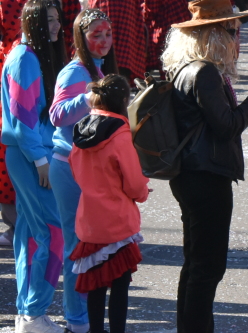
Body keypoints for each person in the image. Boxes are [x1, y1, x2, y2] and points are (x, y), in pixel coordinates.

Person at [161, 0, 248, 333]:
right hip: (205, 177)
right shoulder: (204, 73)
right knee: (207, 268)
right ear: (216, 35)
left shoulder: (187, 68)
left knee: (196, 264)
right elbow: (227, 125)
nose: (237, 39)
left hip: (192, 175)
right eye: (234, 32)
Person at [1, 0, 70, 333]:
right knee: (52, 232)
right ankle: (33, 312)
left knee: (31, 233)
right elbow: (23, 118)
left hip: (32, 154)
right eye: (50, 20)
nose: (56, 26)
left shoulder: (30, 55)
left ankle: (29, 314)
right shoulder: (25, 58)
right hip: (32, 156)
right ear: (33, 22)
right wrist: (42, 161)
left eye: (58, 19)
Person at [49, 8, 118, 332]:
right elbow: (56, 116)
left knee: (94, 245)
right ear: (81, 38)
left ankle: (85, 318)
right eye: (96, 35)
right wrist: (87, 99)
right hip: (68, 169)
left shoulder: (101, 67)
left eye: (107, 34)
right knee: (77, 246)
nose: (103, 41)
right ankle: (76, 321)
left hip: (90, 170)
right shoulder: (75, 72)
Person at [68, 74, 149, 333]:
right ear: (124, 101)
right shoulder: (120, 135)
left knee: (95, 286)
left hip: (90, 222)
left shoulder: (81, 131)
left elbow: (74, 169)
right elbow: (135, 184)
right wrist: (143, 193)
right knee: (120, 286)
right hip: (117, 223)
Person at [85, 0, 146, 81]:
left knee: (103, 43)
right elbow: (140, 0)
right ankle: (122, 81)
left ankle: (102, 78)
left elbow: (92, 0)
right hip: (126, 16)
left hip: (103, 12)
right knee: (125, 47)